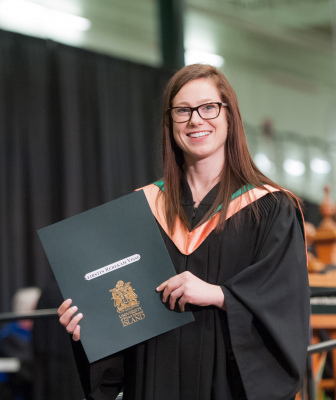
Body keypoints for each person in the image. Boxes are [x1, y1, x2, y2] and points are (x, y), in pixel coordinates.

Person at [58, 64, 310, 400]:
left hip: (226, 385)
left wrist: (219, 295)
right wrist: (89, 328)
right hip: (154, 380)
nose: (195, 120)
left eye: (209, 107)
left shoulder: (270, 208)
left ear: (229, 117)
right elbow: (123, 314)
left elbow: (286, 302)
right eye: (182, 111)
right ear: (169, 122)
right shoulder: (141, 209)